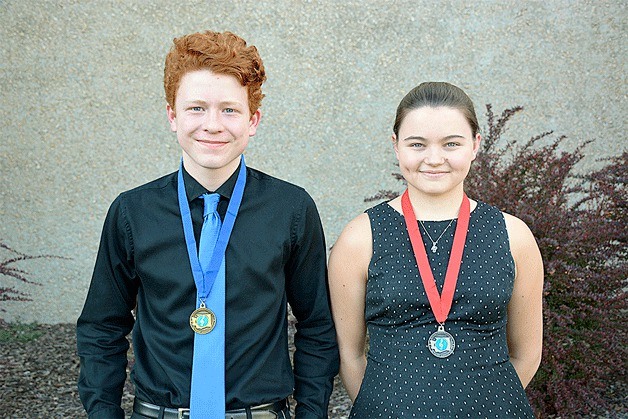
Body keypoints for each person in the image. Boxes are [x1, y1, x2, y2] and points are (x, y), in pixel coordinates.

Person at [77, 30, 339, 419]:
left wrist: (311, 413)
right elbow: (102, 327)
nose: (213, 125)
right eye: (196, 108)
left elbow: (317, 324)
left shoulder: (291, 209)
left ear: (253, 121)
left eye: (230, 110)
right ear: (172, 116)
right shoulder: (132, 212)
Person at [328, 82, 543, 418]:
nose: (434, 158)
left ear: (475, 145)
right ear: (396, 146)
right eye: (417, 144)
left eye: (451, 144)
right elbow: (350, 356)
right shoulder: (360, 237)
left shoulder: (513, 235)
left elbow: (527, 353)